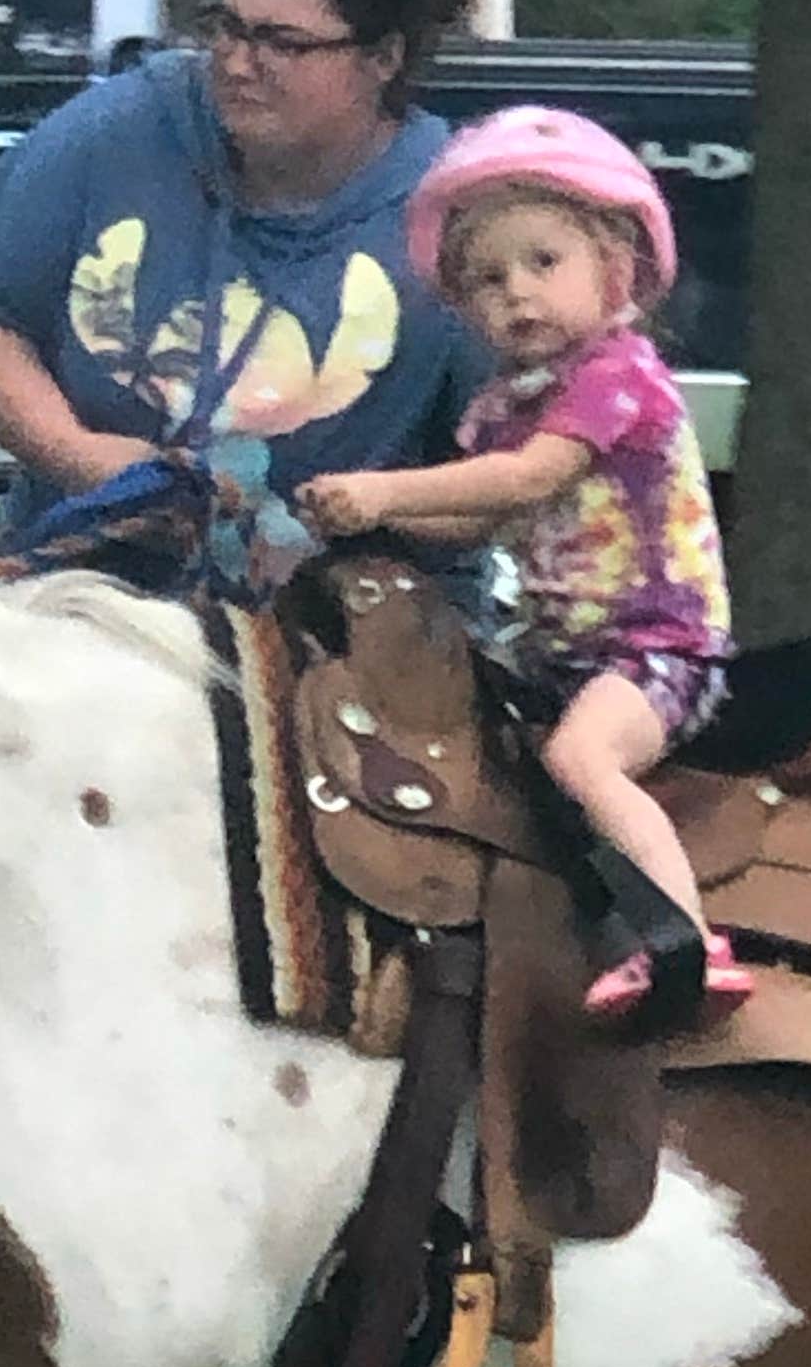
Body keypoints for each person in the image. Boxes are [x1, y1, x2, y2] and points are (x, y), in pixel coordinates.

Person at [297, 106, 751, 1025]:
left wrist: (386, 494)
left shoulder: (618, 378)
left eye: (544, 263)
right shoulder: (504, 408)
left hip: (653, 649)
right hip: (558, 650)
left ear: (615, 267)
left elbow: (529, 478)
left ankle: (683, 943)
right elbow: (477, 519)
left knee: (585, 760)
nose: (517, 293)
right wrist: (363, 531)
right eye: (488, 281)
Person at [0, 0, 481, 604]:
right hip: (75, 597)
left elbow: (520, 478)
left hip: (332, 634)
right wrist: (78, 455)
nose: (238, 64)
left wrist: (368, 507)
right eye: (228, 27)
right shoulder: (124, 126)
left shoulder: (460, 212)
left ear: (383, 57)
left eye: (282, 42)